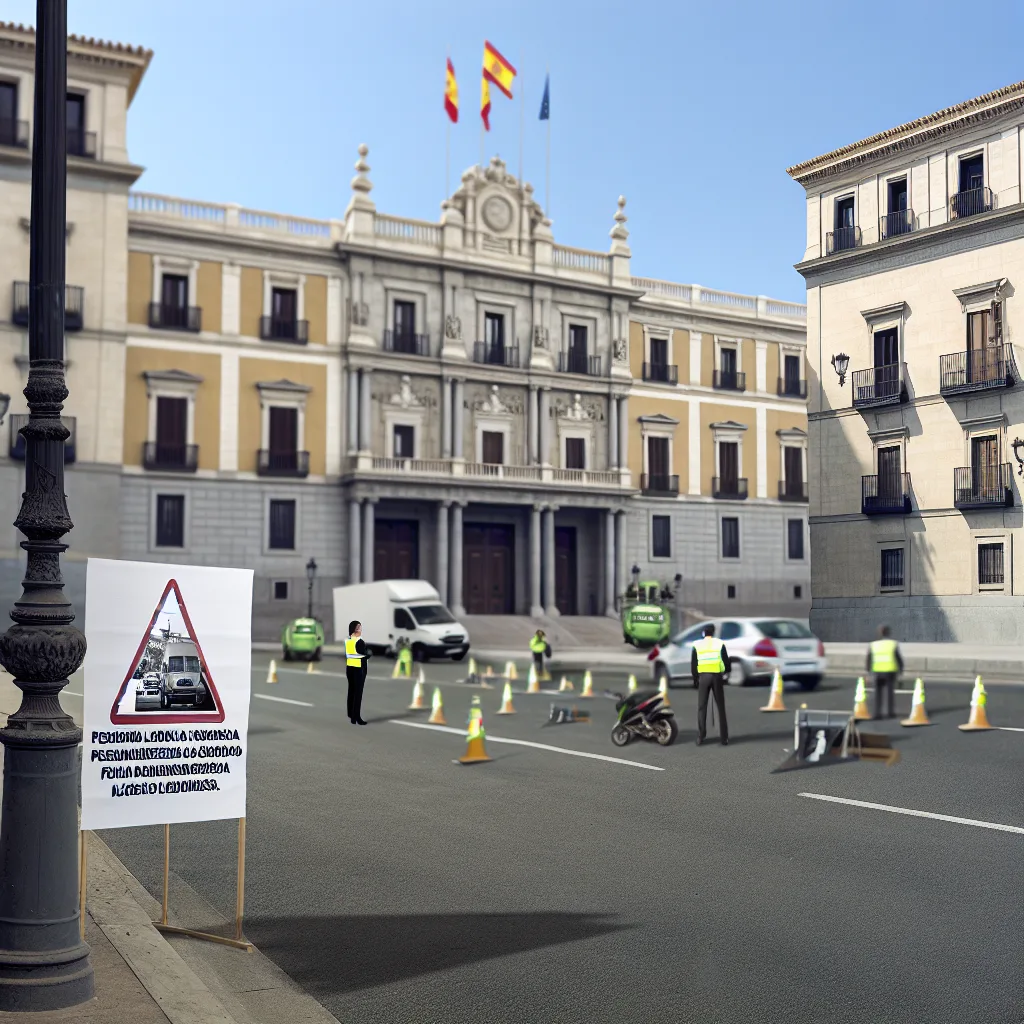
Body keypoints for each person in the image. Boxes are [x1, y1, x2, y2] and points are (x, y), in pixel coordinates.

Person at [690, 623, 730, 746]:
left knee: (702, 707)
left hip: (703, 677)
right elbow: (726, 662)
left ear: (703, 633)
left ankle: (701, 737)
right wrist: (725, 673)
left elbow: (694, 664)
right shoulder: (719, 643)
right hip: (717, 677)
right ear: (713, 633)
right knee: (720, 707)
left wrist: (695, 679)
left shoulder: (697, 645)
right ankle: (724, 738)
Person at [866, 625, 903, 720]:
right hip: (890, 671)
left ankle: (877, 714)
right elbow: (898, 659)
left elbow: (869, 659)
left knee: (878, 693)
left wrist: (868, 672)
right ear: (889, 633)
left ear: (880, 633)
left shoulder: (873, 645)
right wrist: (901, 671)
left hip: (877, 672)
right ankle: (890, 713)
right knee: (890, 693)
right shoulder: (893, 644)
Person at [345, 620, 371, 725]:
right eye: (359, 627)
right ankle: (357, 717)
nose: (361, 629)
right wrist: (368, 654)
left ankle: (351, 715)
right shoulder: (360, 642)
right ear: (356, 629)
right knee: (358, 694)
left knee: (351, 691)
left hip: (349, 667)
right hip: (359, 669)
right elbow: (364, 654)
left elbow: (349, 654)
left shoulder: (348, 640)